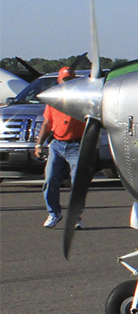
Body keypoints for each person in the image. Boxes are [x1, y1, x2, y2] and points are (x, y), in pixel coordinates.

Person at [34, 66, 88, 229]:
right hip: (57, 144)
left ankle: (75, 216)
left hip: (76, 145)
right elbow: (47, 123)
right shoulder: (53, 100)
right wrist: (39, 144)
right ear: (59, 80)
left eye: (71, 80)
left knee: (77, 182)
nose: (67, 83)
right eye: (65, 80)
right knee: (50, 179)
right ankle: (54, 213)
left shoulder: (82, 99)